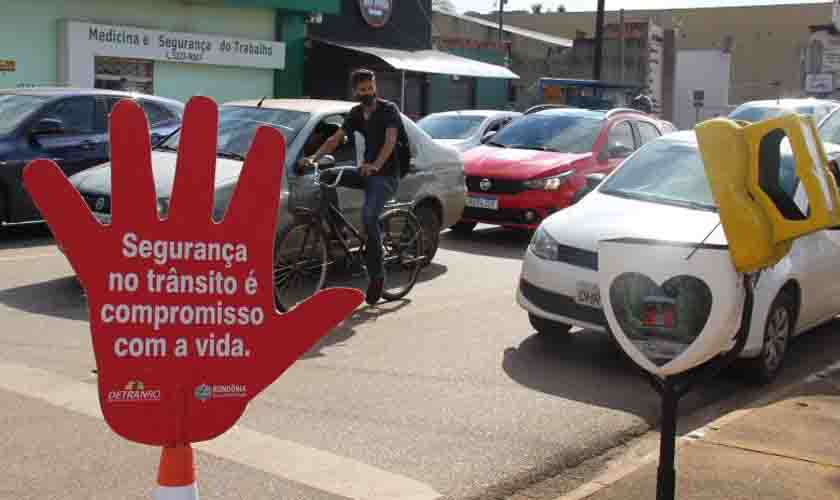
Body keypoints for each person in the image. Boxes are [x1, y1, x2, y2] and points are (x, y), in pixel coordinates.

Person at [296, 68, 402, 305]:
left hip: (385, 176)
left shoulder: (388, 110)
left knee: (368, 216)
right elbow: (335, 139)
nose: (367, 93)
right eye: (362, 90)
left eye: (370, 88)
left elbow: (390, 140)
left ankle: (377, 276)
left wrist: (375, 165)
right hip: (365, 172)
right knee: (326, 176)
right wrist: (313, 158)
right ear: (355, 91)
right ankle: (338, 233)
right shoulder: (355, 113)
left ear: (375, 87)